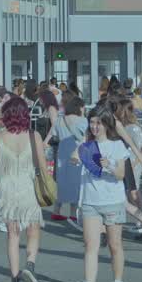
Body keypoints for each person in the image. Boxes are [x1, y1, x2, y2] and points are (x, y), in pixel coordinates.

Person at [0, 96, 46, 282]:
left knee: (13, 235)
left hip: (7, 189)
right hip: (28, 188)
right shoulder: (34, 136)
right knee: (33, 232)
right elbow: (43, 168)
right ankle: (30, 266)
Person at [68, 108, 130, 282]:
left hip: (112, 201)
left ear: (106, 124)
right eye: (92, 122)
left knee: (114, 245)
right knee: (90, 245)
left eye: (99, 123)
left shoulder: (117, 145)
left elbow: (121, 175)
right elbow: (74, 157)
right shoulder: (87, 145)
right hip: (90, 201)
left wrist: (109, 165)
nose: (95, 127)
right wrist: (77, 153)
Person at [52, 95, 88, 228]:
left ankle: (56, 210)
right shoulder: (83, 120)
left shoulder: (59, 119)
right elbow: (86, 136)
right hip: (77, 152)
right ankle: (73, 213)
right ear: (79, 107)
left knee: (62, 181)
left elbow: (55, 135)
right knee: (76, 181)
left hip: (62, 152)